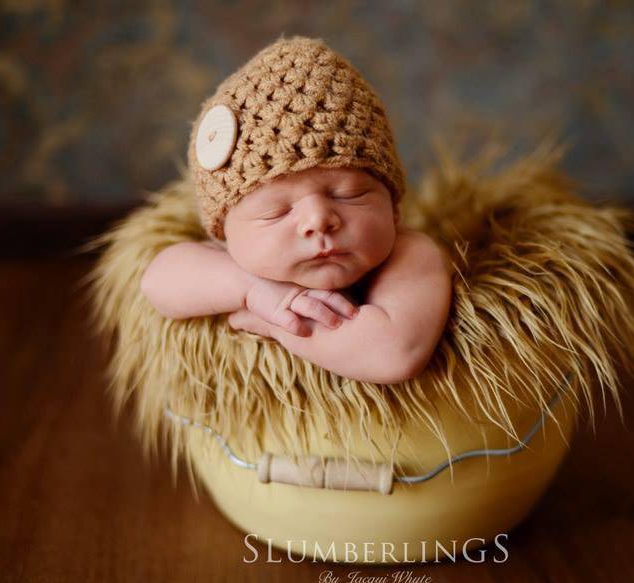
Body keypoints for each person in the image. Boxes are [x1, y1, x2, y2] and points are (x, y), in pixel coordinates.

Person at [140, 36, 451, 385]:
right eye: (276, 212)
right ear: (225, 232)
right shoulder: (239, 261)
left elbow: (393, 354)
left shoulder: (410, 254)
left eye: (348, 195)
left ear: (392, 208)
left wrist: (279, 324)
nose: (318, 220)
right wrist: (255, 291)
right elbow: (156, 282)